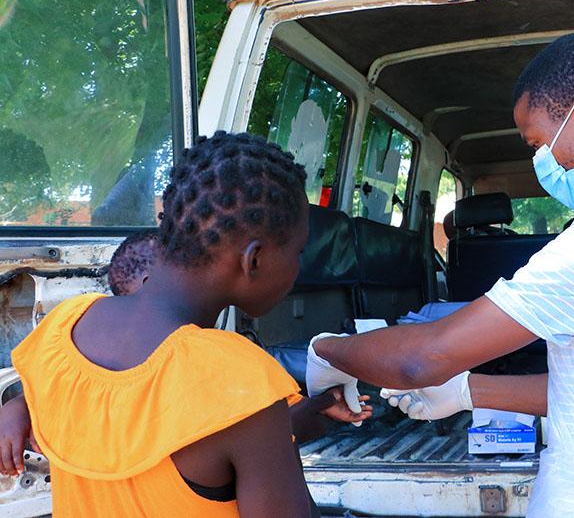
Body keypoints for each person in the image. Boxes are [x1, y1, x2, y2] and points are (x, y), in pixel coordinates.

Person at [307, 33, 574, 517]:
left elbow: (422, 359)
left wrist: (325, 351)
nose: (543, 165)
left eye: (538, 145)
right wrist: (468, 392)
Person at [4, 132, 371, 516]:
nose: (298, 268)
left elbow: (139, 438)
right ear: (254, 260)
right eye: (297, 252)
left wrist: (294, 420)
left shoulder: (64, 327)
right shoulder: (236, 377)